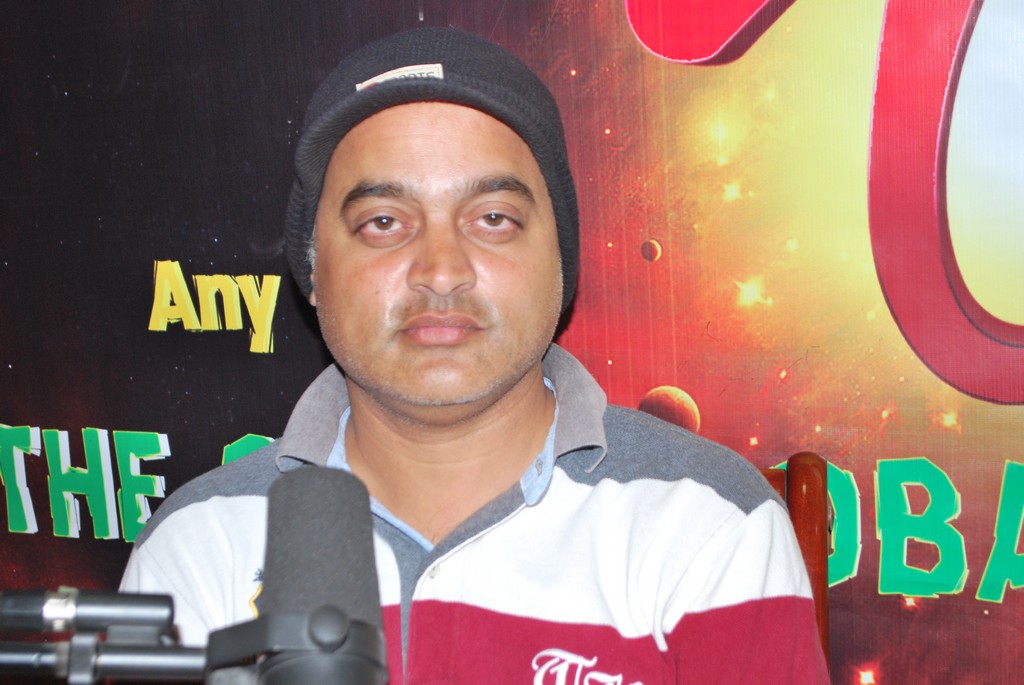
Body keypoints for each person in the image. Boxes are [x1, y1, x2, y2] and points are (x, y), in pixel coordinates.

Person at [121, 27, 830, 683]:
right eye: (383, 222)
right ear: (312, 269)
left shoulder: (706, 528)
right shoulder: (201, 547)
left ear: (560, 261)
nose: (441, 270)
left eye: (493, 218)